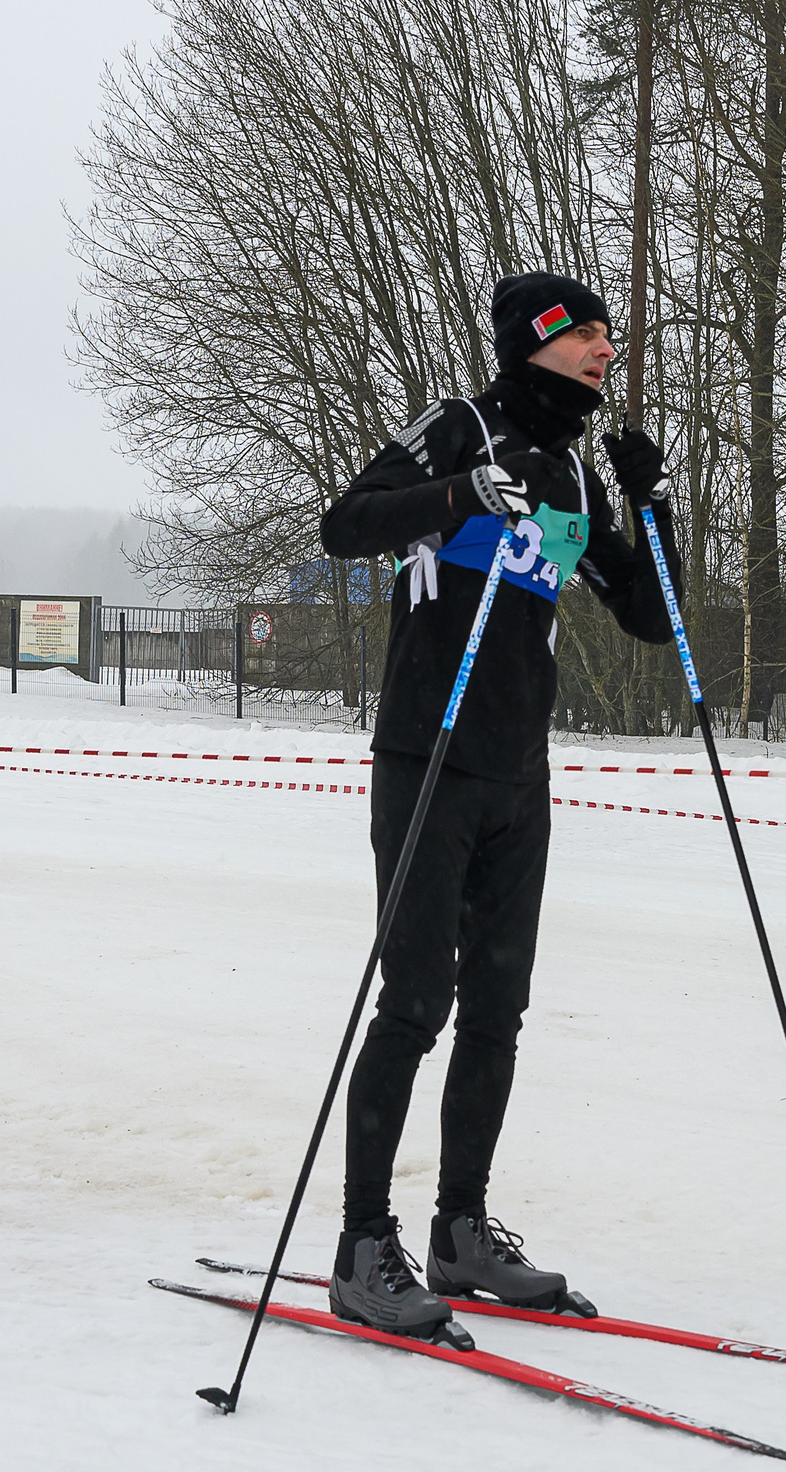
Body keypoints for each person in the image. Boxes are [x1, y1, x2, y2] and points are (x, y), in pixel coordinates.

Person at [315, 271, 684, 1336]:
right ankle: (361, 1244)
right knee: (416, 1000)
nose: (606, 349)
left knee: (498, 1009)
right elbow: (346, 525)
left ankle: (460, 1231)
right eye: (587, 335)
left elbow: (650, 617)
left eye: (612, 335)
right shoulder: (460, 426)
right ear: (536, 341)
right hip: (428, 757)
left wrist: (653, 504)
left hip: (519, 771)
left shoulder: (573, 470)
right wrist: (457, 497)